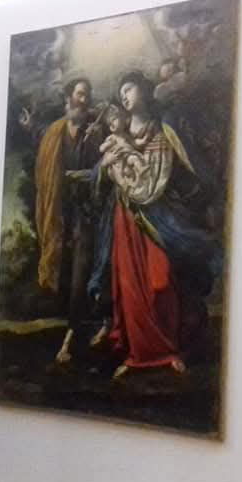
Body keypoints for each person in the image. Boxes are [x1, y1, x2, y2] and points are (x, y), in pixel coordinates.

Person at [88, 70, 221, 380]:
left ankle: (167, 349)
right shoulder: (118, 134)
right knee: (129, 287)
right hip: (124, 219)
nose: (124, 95)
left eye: (130, 88)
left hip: (158, 217)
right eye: (121, 91)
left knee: (160, 282)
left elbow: (166, 178)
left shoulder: (163, 131)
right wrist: (106, 168)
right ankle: (137, 353)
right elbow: (99, 176)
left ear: (145, 91)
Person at [19, 77, 105, 364]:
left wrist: (85, 174)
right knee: (63, 271)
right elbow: (42, 139)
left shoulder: (96, 132)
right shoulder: (56, 130)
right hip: (58, 212)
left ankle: (71, 335)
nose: (84, 99)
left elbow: (105, 166)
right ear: (68, 99)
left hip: (86, 212)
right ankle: (77, 329)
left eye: (87, 95)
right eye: (80, 94)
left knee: (82, 270)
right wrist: (30, 127)